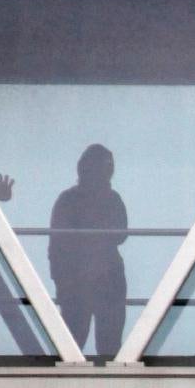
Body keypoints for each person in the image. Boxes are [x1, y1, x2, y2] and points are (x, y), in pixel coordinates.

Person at [46, 143, 130, 359]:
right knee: (74, 344)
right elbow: (57, 246)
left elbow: (121, 233)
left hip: (104, 280)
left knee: (107, 345)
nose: (107, 171)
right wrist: (61, 282)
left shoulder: (111, 199)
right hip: (79, 281)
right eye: (104, 166)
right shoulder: (70, 200)